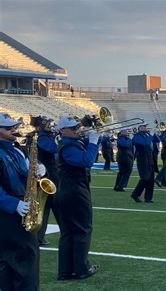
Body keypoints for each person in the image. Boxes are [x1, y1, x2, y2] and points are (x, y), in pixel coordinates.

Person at [55, 116, 100, 280]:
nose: (77, 130)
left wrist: (92, 142)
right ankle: (81, 269)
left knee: (69, 232)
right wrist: (94, 142)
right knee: (82, 229)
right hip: (74, 190)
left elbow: (90, 157)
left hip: (70, 189)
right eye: (72, 128)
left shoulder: (72, 143)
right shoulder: (67, 147)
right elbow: (87, 161)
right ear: (62, 130)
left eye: (76, 127)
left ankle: (66, 270)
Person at [0, 113, 40, 290]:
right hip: (8, 211)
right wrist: (13, 204)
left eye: (14, 126)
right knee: (20, 256)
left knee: (22, 256)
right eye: (8, 128)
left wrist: (38, 170)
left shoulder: (17, 148)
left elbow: (25, 172)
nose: (14, 129)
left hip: (23, 204)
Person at [35, 116, 61, 247]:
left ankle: (39, 237)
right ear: (41, 125)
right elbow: (53, 149)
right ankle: (39, 237)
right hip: (46, 174)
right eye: (48, 124)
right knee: (49, 206)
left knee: (50, 206)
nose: (51, 125)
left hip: (51, 172)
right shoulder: (42, 138)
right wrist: (60, 138)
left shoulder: (47, 136)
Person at [131, 123, 156, 203]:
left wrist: (154, 133)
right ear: (140, 128)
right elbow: (145, 143)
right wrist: (151, 135)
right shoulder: (137, 136)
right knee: (145, 177)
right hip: (142, 157)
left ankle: (148, 198)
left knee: (151, 178)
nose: (146, 127)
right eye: (144, 126)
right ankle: (135, 194)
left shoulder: (147, 135)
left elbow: (158, 140)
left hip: (150, 156)